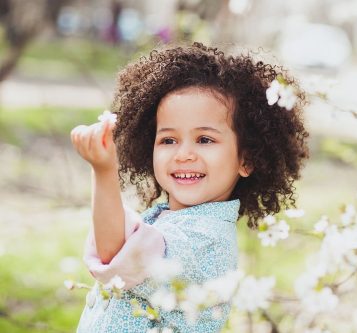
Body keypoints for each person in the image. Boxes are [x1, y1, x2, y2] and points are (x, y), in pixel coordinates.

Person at [70, 42, 309, 333]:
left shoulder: (204, 239)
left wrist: (103, 170)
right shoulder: (171, 219)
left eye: (204, 140)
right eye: (168, 140)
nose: (183, 154)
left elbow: (115, 252)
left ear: (246, 159)